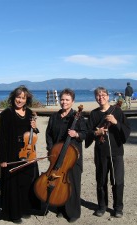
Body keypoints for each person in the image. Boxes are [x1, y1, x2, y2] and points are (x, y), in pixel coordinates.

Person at [0, 85, 41, 224]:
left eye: (23, 98)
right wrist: (2, 159)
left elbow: (33, 133)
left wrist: (35, 127)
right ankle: (14, 214)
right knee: (13, 183)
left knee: (26, 181)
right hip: (11, 151)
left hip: (27, 151)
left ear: (26, 99)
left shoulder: (29, 113)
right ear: (13, 97)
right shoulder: (6, 113)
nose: (20, 100)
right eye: (18, 97)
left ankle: (25, 209)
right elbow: (2, 137)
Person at [85, 87, 131, 219]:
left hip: (116, 151)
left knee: (117, 180)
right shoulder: (94, 114)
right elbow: (88, 133)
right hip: (100, 152)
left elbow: (127, 129)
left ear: (108, 96)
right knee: (101, 180)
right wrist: (96, 133)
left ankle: (118, 207)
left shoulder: (117, 111)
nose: (101, 98)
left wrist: (116, 122)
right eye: (98, 96)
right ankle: (102, 206)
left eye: (103, 95)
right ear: (95, 98)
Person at [45, 88, 87, 223]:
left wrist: (77, 134)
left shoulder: (78, 117)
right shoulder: (54, 117)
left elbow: (85, 133)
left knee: (73, 183)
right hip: (57, 155)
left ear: (72, 101)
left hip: (73, 156)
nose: (64, 102)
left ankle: (73, 212)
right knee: (59, 183)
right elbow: (49, 134)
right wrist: (51, 149)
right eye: (62, 99)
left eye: (67, 100)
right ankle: (61, 209)